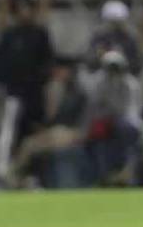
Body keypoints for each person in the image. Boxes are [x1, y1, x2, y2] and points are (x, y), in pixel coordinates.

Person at [0, 0, 54, 176]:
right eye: (21, 7)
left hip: (35, 95)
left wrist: (41, 82)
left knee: (36, 136)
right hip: (14, 95)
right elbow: (0, 65)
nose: (24, 11)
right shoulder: (9, 36)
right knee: (11, 133)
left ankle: (35, 176)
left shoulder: (40, 34)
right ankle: (7, 172)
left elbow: (48, 64)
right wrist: (3, 86)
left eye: (28, 6)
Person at [7, 57, 88, 189]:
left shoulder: (78, 93)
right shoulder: (54, 87)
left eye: (61, 70)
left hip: (73, 132)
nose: (57, 72)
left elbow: (74, 118)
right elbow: (49, 117)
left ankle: (17, 177)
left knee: (41, 141)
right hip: (55, 131)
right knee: (29, 144)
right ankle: (15, 178)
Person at [84, 50, 142, 185]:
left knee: (129, 133)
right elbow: (94, 108)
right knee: (100, 144)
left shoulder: (130, 84)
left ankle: (128, 175)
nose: (113, 71)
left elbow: (129, 111)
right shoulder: (98, 83)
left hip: (124, 125)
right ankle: (105, 177)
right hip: (104, 125)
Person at [85, 0, 142, 75]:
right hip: (102, 74)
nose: (115, 27)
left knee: (132, 86)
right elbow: (90, 61)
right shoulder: (98, 38)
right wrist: (100, 56)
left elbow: (137, 64)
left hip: (124, 74)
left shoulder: (130, 39)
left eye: (118, 23)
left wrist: (124, 60)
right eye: (112, 22)